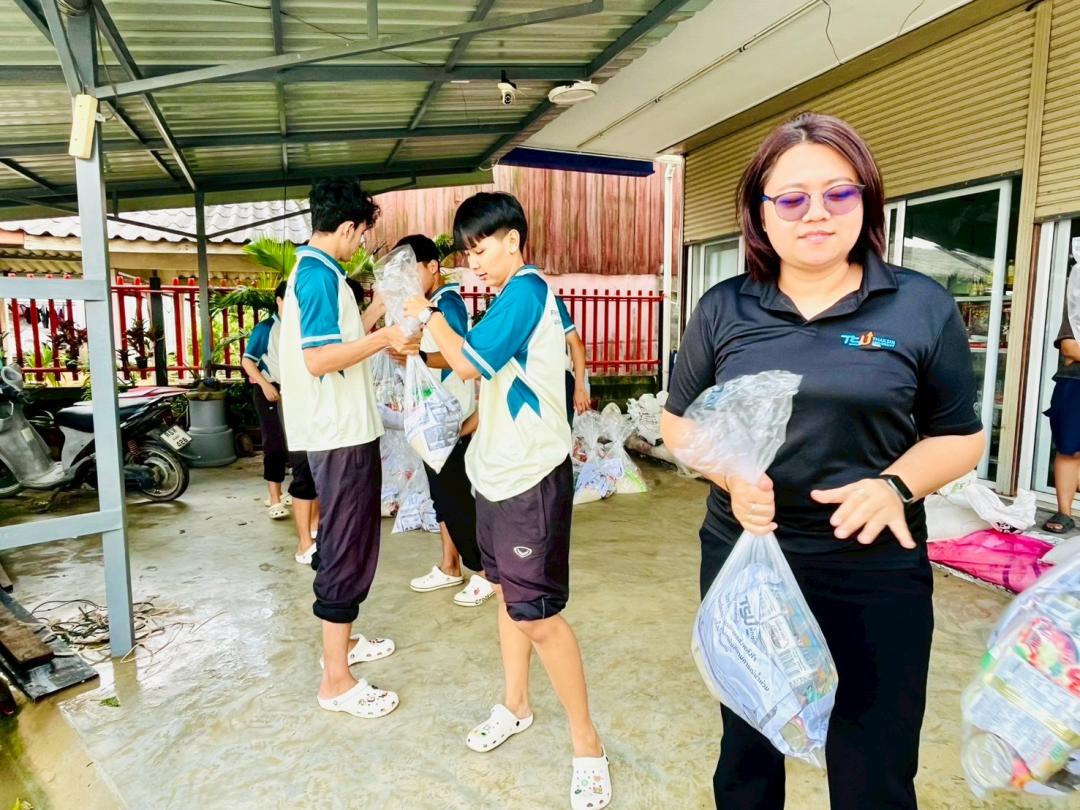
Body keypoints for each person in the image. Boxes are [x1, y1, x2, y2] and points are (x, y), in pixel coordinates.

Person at [660, 112, 985, 810]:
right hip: (748, 557)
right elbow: (677, 424)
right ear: (761, 213)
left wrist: (895, 485)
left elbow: (960, 437)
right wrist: (728, 474)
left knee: (875, 764)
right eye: (792, 198)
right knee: (749, 749)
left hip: (875, 568)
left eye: (839, 193)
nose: (817, 213)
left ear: (866, 200)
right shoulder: (724, 306)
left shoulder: (919, 305)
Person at [405, 192, 611, 810]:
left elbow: (467, 364)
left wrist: (427, 313)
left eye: (482, 248)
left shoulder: (526, 291)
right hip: (496, 475)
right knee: (504, 594)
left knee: (538, 616)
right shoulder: (504, 299)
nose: (474, 263)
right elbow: (473, 365)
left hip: (529, 480)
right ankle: (515, 704)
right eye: (467, 253)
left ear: (514, 240)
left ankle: (587, 745)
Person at [278, 176, 419, 719]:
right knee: (345, 545)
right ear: (346, 227)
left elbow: (337, 340)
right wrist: (384, 338)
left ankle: (344, 644)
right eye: (360, 234)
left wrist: (378, 312)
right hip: (338, 434)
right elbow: (318, 360)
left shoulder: (317, 271)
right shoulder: (318, 276)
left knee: (347, 540)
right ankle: (336, 680)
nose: (361, 243)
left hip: (340, 430)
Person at [394, 233, 494, 607]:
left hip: (449, 419)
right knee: (442, 497)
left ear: (433, 267)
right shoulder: (429, 303)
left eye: (412, 271)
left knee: (455, 499)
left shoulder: (446, 303)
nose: (408, 281)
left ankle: (485, 571)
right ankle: (450, 565)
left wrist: (417, 356)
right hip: (431, 418)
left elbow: (460, 355)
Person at [241, 283, 320, 563]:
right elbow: (247, 361)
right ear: (278, 300)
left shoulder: (301, 327)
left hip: (296, 392)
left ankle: (307, 516)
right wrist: (265, 385)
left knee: (297, 450)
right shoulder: (266, 328)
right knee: (274, 442)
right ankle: (274, 497)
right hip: (271, 389)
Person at [1043, 272, 1080, 533]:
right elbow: (1070, 349)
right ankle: (1064, 512)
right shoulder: (1077, 305)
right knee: (1069, 449)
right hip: (1075, 383)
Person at [558, 297, 591, 421]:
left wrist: (580, 389)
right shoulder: (507, 302)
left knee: (562, 426)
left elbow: (576, 344)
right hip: (529, 381)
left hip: (560, 380)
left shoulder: (551, 302)